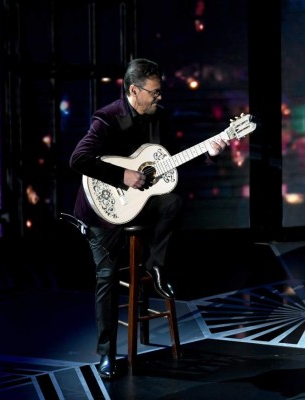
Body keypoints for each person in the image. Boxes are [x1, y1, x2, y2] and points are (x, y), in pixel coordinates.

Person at [69, 58, 228, 379]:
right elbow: (78, 159)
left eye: (160, 92)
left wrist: (209, 153)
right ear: (133, 90)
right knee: (107, 277)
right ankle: (106, 354)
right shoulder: (108, 118)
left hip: (141, 204)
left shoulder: (159, 118)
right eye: (154, 93)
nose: (159, 98)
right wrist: (122, 175)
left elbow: (171, 160)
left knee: (173, 203)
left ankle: (155, 265)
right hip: (103, 209)